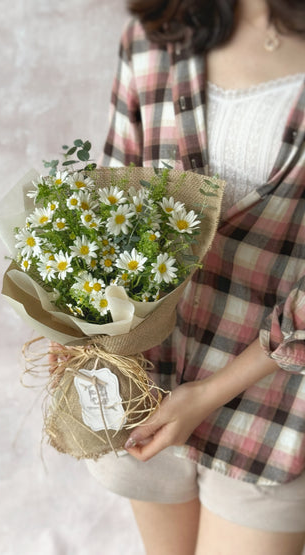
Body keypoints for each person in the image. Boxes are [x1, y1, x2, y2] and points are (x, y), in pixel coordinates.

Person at [84, 1, 305, 553]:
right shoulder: (156, 38)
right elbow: (116, 202)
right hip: (148, 383)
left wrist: (208, 394)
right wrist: (83, 325)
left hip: (280, 403)